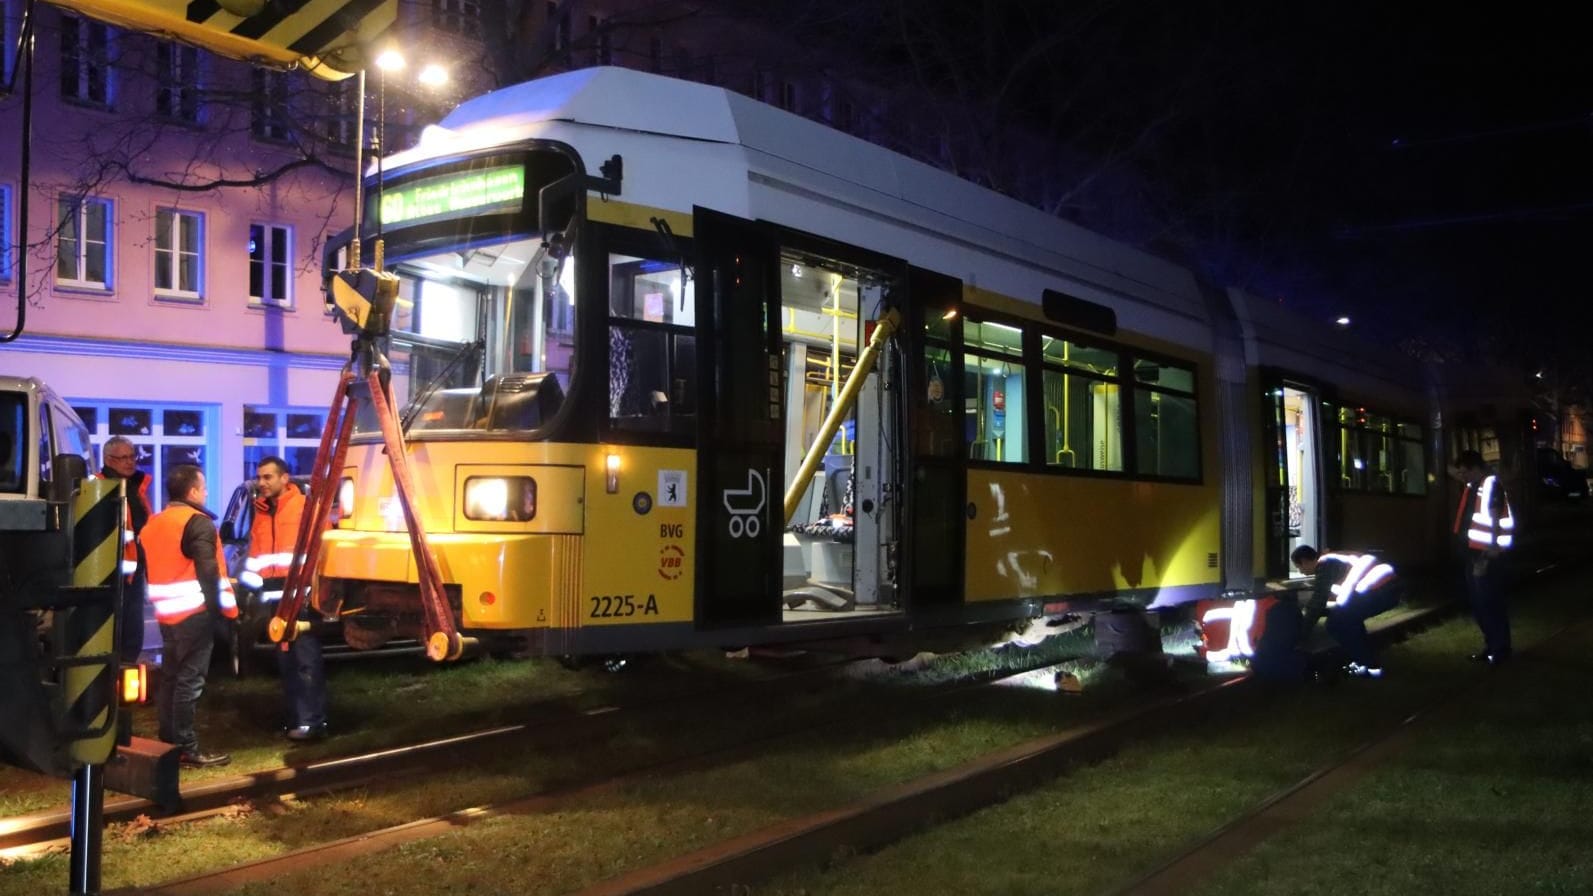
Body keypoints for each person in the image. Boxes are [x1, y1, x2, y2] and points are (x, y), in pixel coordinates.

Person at [143, 464, 237, 768]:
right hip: (194, 612)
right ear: (193, 491)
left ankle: (169, 742)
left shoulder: (154, 524)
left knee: (171, 678)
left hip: (166, 614)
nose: (207, 492)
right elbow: (209, 571)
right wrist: (219, 610)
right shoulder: (197, 523)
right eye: (204, 487)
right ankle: (186, 747)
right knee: (189, 681)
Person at [239, 456, 328, 741]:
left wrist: (317, 590)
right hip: (277, 604)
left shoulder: (304, 508)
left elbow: (323, 548)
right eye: (259, 477)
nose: (261, 483)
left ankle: (312, 723)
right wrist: (251, 590)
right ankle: (295, 720)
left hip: (302, 601)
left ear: (284, 479)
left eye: (268, 477)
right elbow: (256, 559)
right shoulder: (262, 513)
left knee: (305, 662)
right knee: (287, 664)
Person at [1290, 545, 1403, 678]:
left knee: (1335, 624)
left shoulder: (1324, 565)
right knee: (1350, 620)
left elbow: (1318, 602)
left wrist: (1301, 634)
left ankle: (1369, 666)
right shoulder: (1332, 559)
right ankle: (1364, 660)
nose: (1301, 572)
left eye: (1299, 567)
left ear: (1304, 561)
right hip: (1389, 588)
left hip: (1379, 589)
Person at [1449, 450, 1515, 664]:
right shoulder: (1474, 485)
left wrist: (1493, 546)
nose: (1462, 476)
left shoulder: (1490, 485)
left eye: (1465, 471)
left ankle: (1500, 649)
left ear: (1475, 468)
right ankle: (1492, 647)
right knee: (1480, 603)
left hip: (1486, 554)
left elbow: (1495, 514)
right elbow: (1454, 473)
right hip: (1474, 553)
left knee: (1489, 602)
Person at [97, 437, 155, 662]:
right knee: (113, 632)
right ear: (109, 460)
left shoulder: (136, 487)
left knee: (132, 630)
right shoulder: (99, 486)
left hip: (134, 571)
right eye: (124, 458)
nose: (130, 462)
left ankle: (127, 671)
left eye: (133, 457)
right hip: (109, 573)